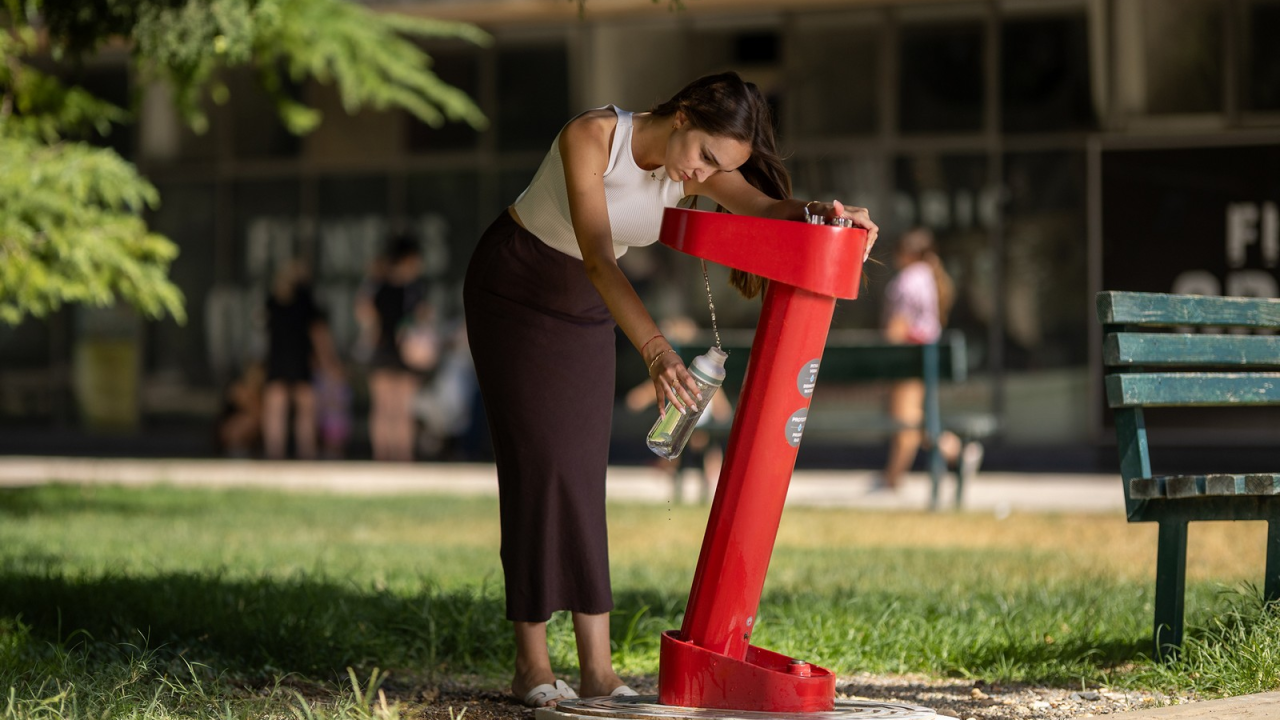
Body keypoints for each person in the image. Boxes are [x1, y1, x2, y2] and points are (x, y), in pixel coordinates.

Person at [461, 71, 878, 709]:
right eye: (706, 157)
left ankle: (598, 673)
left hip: (587, 304)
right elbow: (598, 252)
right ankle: (531, 665)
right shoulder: (593, 136)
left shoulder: (700, 169)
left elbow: (767, 210)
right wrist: (657, 353)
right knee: (537, 467)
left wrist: (831, 216)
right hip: (515, 289)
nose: (702, 176)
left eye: (720, 168)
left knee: (578, 472)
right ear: (682, 114)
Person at [878, 227, 983, 492]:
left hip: (909, 358)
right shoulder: (930, 278)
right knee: (914, 417)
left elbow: (897, 328)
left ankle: (893, 479)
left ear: (908, 253)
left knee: (905, 420)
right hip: (928, 356)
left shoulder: (907, 281)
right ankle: (955, 452)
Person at [356, 236, 431, 462]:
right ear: (408, 259)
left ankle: (392, 458)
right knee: (394, 408)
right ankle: (395, 459)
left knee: (390, 408)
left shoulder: (383, 285)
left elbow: (363, 314)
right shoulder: (406, 287)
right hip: (390, 350)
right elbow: (424, 318)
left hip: (394, 351)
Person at [262, 259, 323, 460]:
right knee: (295, 409)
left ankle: (281, 454)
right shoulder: (301, 301)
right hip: (293, 358)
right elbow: (318, 334)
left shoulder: (278, 301)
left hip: (286, 359)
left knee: (282, 409)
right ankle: (299, 453)